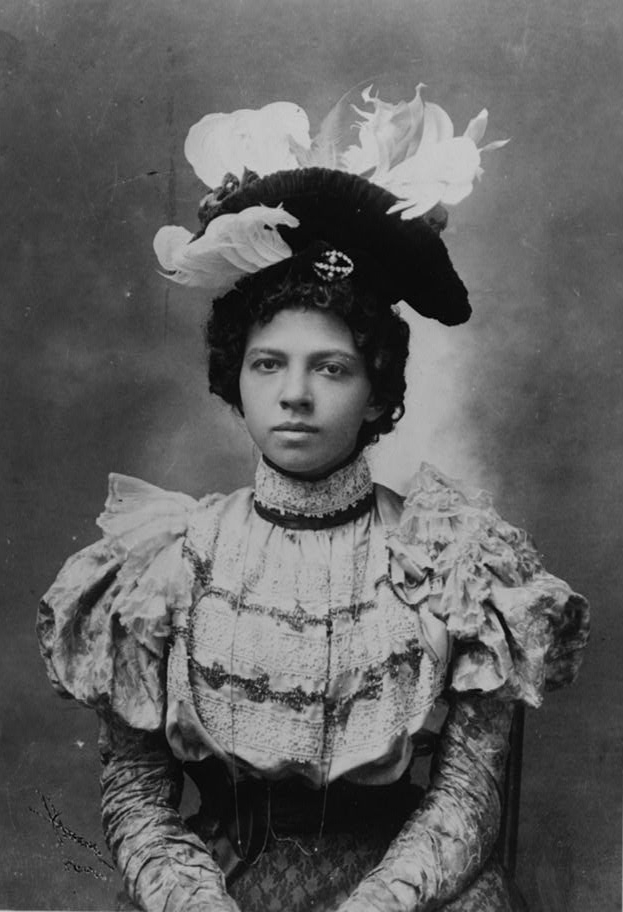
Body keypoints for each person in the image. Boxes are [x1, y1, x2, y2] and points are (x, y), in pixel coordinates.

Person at [37, 88, 589, 912]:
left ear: (374, 392)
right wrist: (192, 902)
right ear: (236, 379)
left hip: (412, 893)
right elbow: (136, 794)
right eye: (269, 364)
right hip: (213, 890)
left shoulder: (453, 556)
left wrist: (378, 904)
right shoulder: (163, 558)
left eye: (329, 367)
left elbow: (468, 795)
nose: (294, 394)